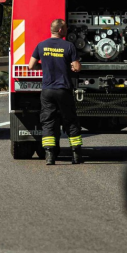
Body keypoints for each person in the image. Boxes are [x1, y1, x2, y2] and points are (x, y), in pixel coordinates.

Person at [28, 19, 84, 165]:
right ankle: (76, 155)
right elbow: (77, 68)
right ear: (60, 30)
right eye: (65, 28)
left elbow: (31, 66)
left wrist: (44, 69)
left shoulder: (41, 45)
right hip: (63, 90)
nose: (67, 30)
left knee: (48, 122)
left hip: (47, 91)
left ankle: (50, 156)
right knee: (71, 121)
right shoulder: (69, 46)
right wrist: (73, 67)